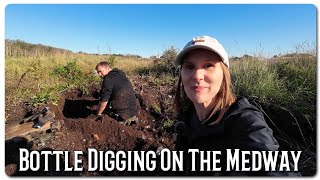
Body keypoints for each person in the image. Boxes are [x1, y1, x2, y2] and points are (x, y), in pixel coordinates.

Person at [174, 35, 300, 176]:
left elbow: (274, 167)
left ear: (224, 75)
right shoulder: (186, 116)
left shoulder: (245, 120)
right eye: (190, 66)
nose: (197, 75)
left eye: (208, 65)